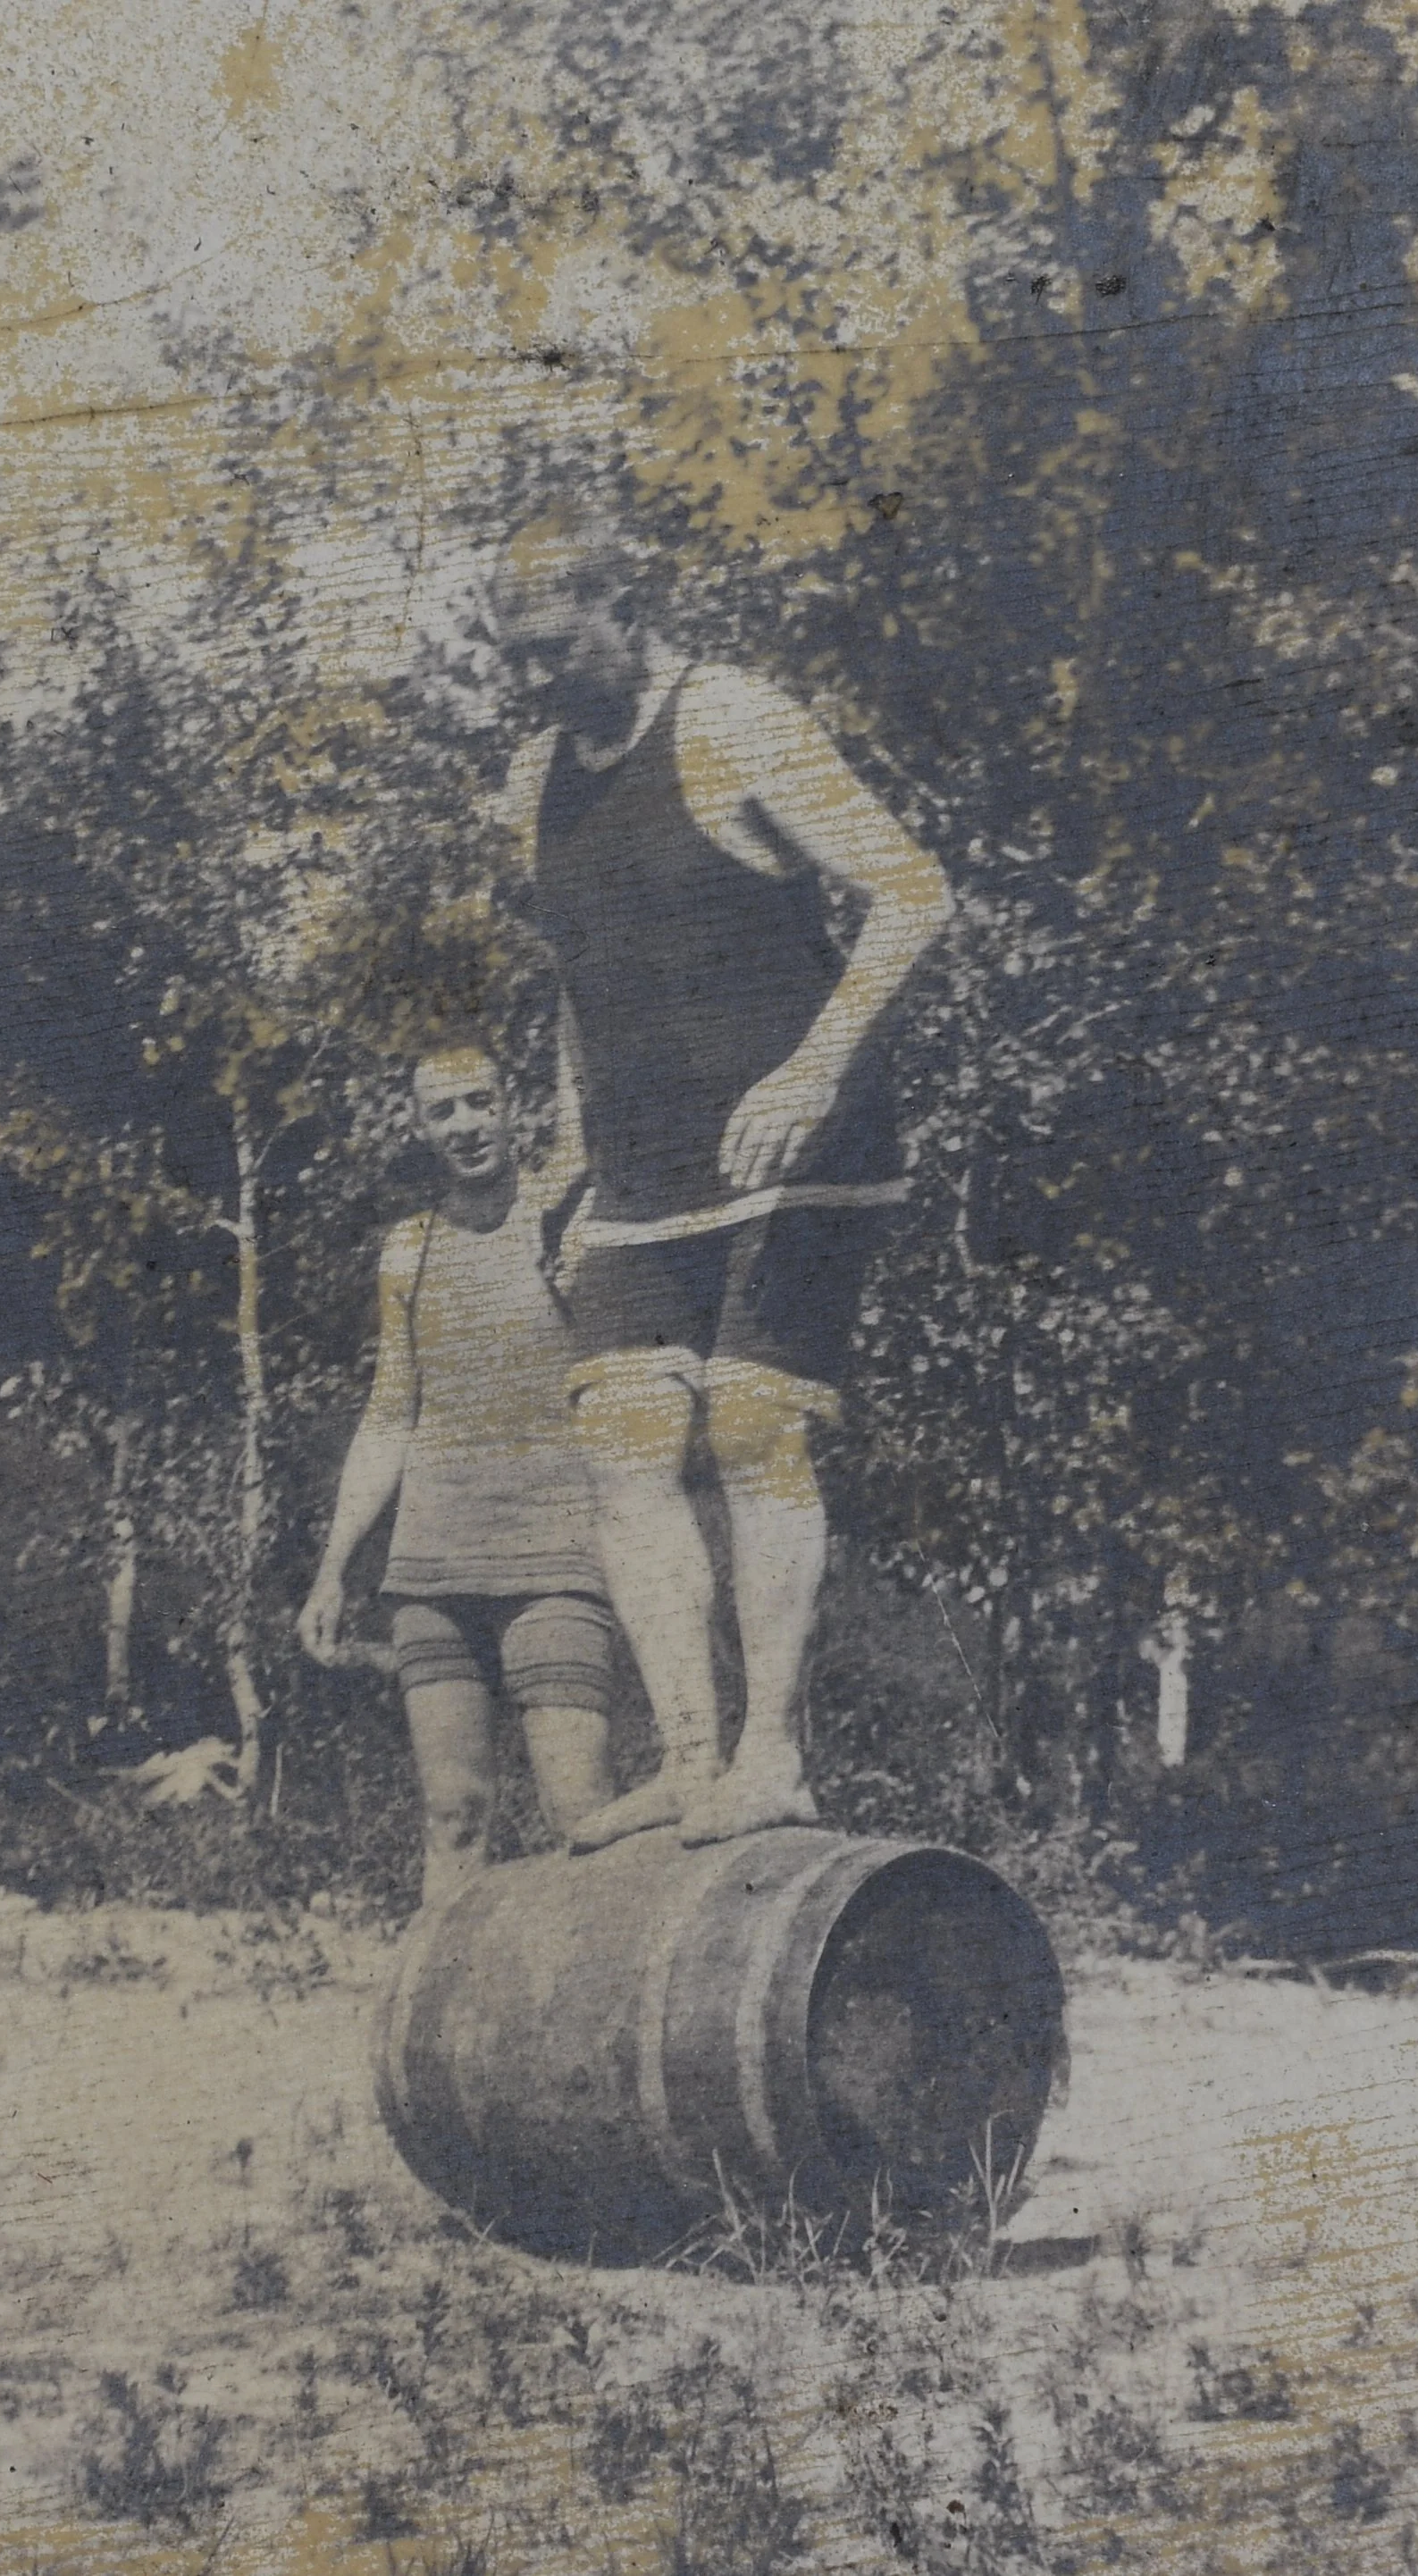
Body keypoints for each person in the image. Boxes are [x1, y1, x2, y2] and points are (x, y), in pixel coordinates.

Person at [491, 509, 953, 1850]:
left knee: (750, 1423)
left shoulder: (734, 719)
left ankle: (772, 1755)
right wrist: (568, 1148)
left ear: (623, 606)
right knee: (622, 1442)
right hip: (641, 1166)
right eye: (509, 659)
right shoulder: (533, 782)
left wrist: (810, 1073)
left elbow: (912, 892)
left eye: (549, 651)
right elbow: (585, 980)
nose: (527, 682)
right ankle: (689, 1757)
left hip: (798, 1146)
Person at [298, 1036, 615, 1905]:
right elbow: (387, 1413)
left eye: (479, 1101)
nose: (465, 1124)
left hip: (557, 1553)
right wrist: (332, 1569)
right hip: (431, 1565)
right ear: (419, 1127)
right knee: (452, 1816)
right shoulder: (407, 1250)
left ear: (511, 1104)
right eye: (442, 1110)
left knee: (582, 1813)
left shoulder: (567, 1218)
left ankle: (590, 2028)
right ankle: (447, 2030)